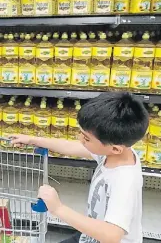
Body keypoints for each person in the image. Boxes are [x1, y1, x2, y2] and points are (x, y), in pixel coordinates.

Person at [11, 92, 148, 243]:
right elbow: (73, 147)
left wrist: (58, 208)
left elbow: (112, 235)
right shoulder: (116, 153)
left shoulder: (124, 181)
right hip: (91, 236)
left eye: (86, 138)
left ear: (115, 148)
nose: (80, 139)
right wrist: (33, 140)